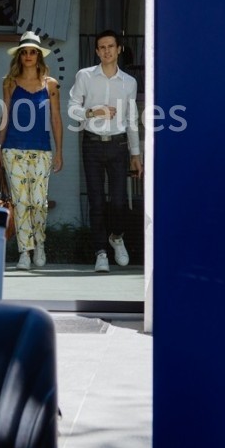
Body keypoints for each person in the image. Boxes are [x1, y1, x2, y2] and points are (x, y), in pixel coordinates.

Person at [68, 30, 142, 272]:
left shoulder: (129, 82)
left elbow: (131, 119)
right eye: (102, 47)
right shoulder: (85, 77)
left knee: (119, 202)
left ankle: (116, 237)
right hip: (91, 143)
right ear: (97, 51)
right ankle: (100, 252)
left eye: (111, 46)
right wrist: (92, 112)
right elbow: (72, 108)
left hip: (119, 145)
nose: (107, 50)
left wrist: (136, 154)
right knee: (97, 200)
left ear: (119, 49)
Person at [0, 30, 64, 270]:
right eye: (24, 52)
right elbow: (5, 114)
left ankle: (40, 245)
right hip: (13, 148)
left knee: (38, 202)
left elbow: (56, 118)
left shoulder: (50, 84)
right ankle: (24, 251)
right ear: (19, 56)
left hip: (42, 149)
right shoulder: (10, 82)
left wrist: (59, 152)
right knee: (21, 202)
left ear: (38, 55)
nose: (28, 56)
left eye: (32, 51)